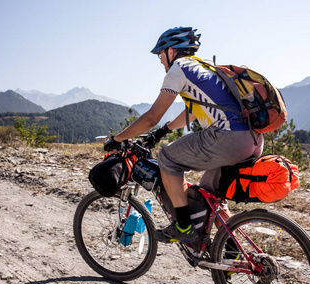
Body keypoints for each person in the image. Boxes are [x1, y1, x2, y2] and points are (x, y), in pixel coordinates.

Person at [104, 26, 263, 244]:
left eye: (160, 54)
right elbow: (194, 110)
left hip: (228, 138)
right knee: (211, 196)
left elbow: (152, 117)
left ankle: (184, 225)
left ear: (171, 51)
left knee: (167, 157)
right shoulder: (204, 68)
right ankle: (231, 250)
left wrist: (118, 139)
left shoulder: (178, 68)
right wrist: (163, 130)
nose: (160, 60)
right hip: (253, 140)